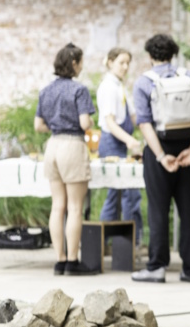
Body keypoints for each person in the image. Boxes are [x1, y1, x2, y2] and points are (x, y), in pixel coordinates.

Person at [130, 34, 190, 283]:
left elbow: (144, 124)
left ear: (150, 56)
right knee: (188, 209)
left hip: (159, 149)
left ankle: (157, 267)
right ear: (173, 54)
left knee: (158, 209)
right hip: (188, 148)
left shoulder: (144, 82)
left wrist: (161, 155)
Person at [35, 43, 98, 276]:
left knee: (57, 206)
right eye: (80, 62)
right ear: (74, 63)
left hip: (52, 146)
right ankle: (73, 261)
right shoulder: (79, 90)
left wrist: (56, 123)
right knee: (74, 207)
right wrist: (89, 122)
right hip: (72, 145)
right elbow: (84, 123)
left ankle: (59, 260)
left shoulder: (46, 90)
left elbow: (38, 125)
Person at [97, 47, 144, 245]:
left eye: (127, 63)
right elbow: (110, 123)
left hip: (121, 143)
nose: (125, 67)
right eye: (121, 63)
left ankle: (119, 242)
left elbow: (134, 117)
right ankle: (122, 241)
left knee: (123, 193)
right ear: (110, 62)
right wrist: (130, 141)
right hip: (111, 143)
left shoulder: (120, 86)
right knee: (123, 193)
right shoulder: (107, 87)